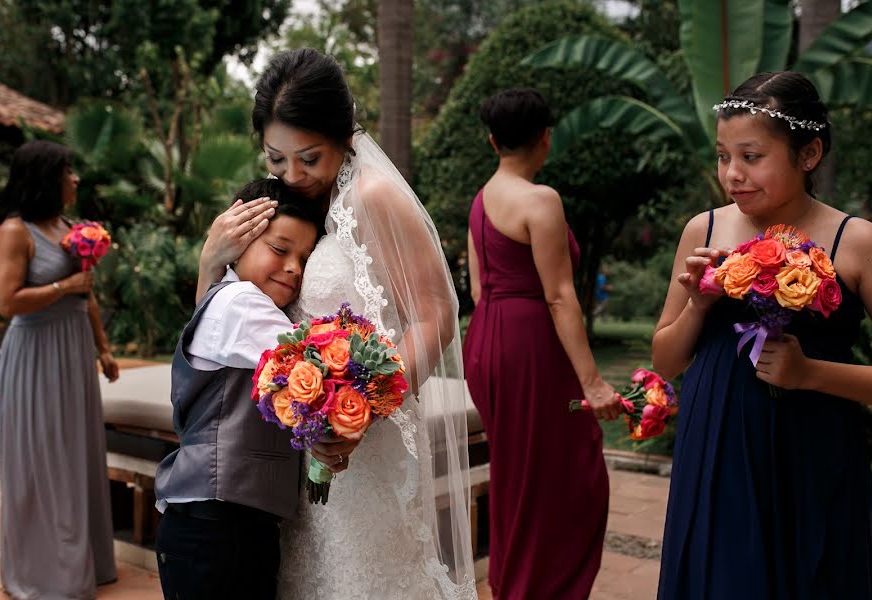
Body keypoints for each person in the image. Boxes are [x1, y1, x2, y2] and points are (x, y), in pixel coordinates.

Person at [195, 48, 477, 599]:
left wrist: (358, 414)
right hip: (297, 437)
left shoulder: (372, 197)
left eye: (310, 158)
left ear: (346, 136)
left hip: (365, 432)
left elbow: (436, 313)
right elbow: (219, 318)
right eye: (277, 159)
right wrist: (210, 261)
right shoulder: (279, 203)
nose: (293, 176)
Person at [653, 71, 872, 599]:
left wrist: (810, 373)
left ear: (809, 154)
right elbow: (664, 361)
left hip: (812, 457)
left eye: (751, 157)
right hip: (717, 451)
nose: (732, 174)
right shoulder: (703, 229)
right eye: (722, 155)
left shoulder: (857, 241)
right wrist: (698, 304)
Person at [461, 88, 621, 600]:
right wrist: (592, 383)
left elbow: (479, 289)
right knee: (568, 476)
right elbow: (558, 296)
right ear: (545, 138)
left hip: (487, 341)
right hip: (530, 345)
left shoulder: (482, 200)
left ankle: (514, 583)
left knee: (517, 469)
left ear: (491, 141)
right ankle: (538, 588)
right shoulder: (540, 199)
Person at [154, 179, 322, 599]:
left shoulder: (230, 297)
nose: (294, 268)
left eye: (305, 258)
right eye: (280, 250)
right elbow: (318, 368)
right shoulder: (240, 303)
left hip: (226, 522)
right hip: (215, 525)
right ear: (237, 241)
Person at [0, 140, 119, 598]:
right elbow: (7, 302)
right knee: (41, 460)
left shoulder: (69, 227)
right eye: (68, 170)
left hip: (73, 353)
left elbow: (87, 296)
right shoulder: (15, 232)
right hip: (34, 354)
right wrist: (66, 284)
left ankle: (85, 562)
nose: (76, 178)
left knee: (76, 455)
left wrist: (103, 350)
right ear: (47, 177)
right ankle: (43, 573)